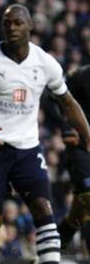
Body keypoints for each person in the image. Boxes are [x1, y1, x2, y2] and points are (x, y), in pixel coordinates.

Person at [0, 5, 90, 264]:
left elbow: (67, 102)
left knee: (43, 209)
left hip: (26, 149)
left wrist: (88, 135)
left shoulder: (44, 62)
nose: (11, 28)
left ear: (30, 26)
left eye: (17, 23)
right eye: (6, 23)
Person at [53, 65, 90, 252]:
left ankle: (51, 251)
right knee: (88, 197)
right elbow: (55, 98)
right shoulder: (81, 75)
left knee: (79, 214)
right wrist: (66, 126)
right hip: (81, 147)